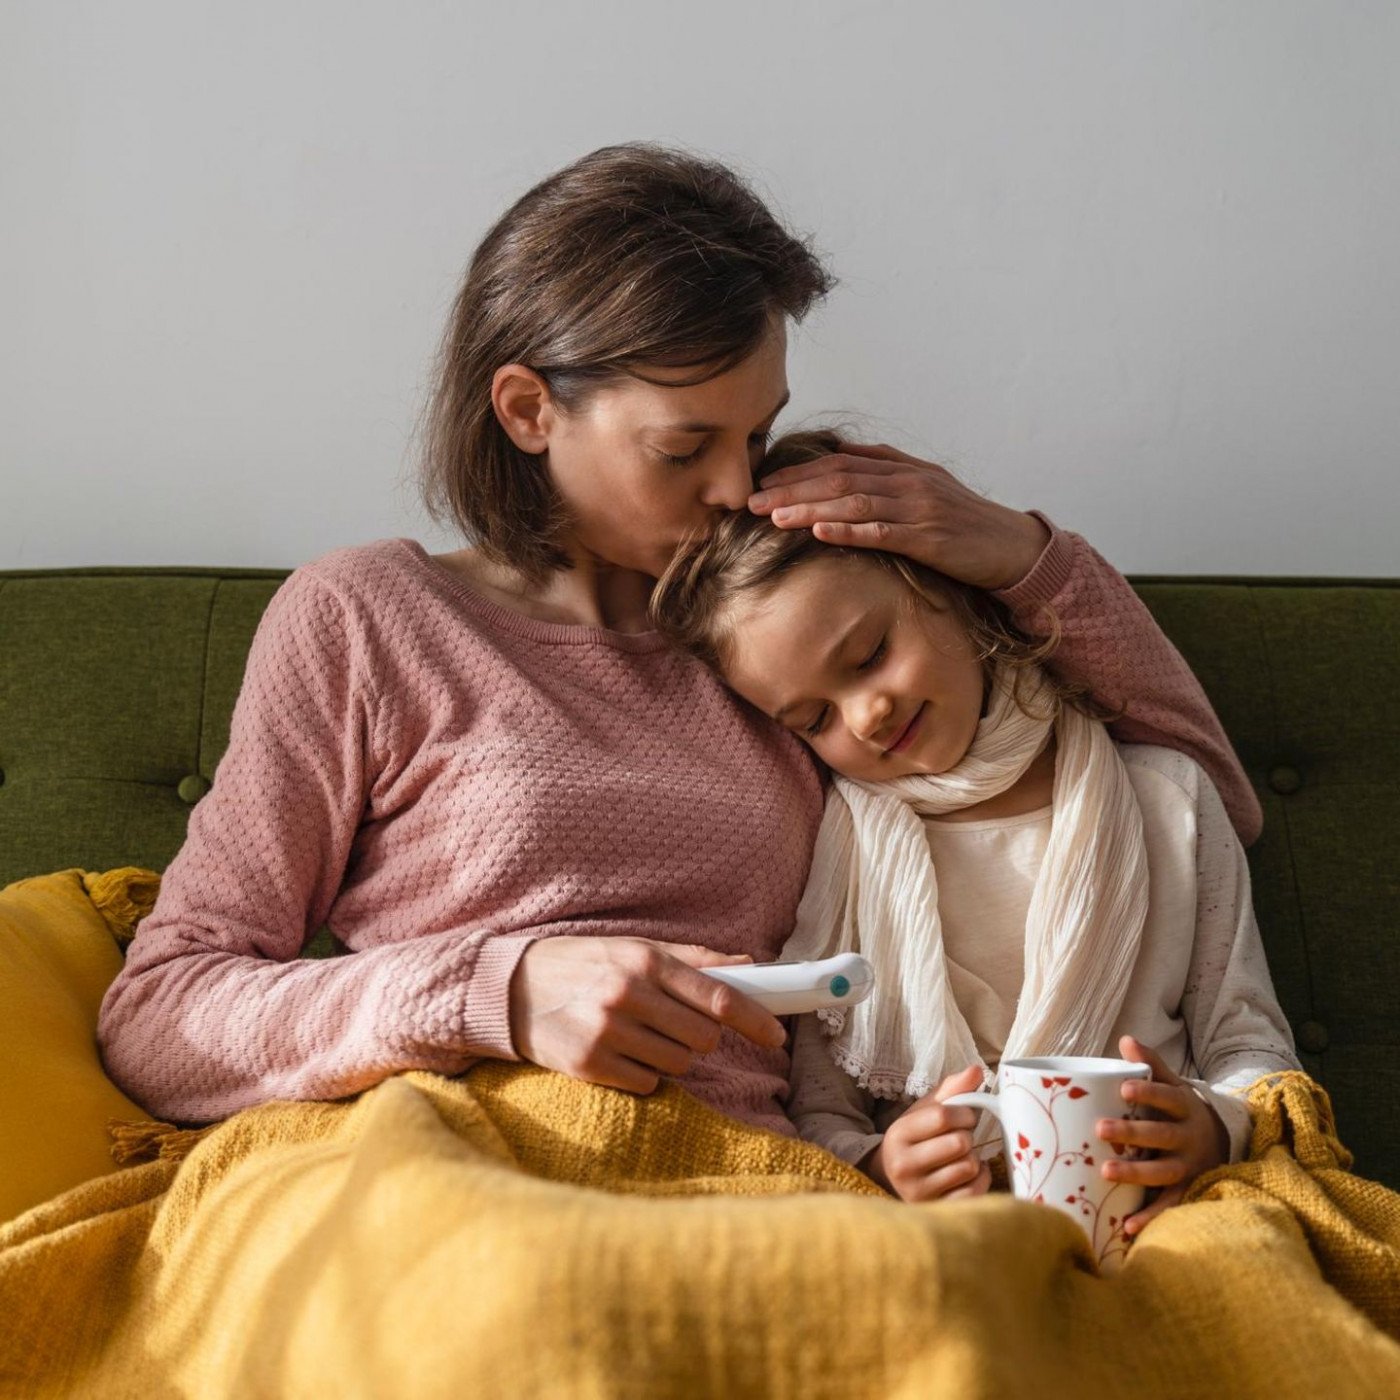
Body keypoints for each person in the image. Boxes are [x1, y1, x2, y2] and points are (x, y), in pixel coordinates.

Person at [97, 144, 1266, 1150]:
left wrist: (1013, 550)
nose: (735, 488)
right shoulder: (366, 617)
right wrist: (497, 987)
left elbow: (1186, 785)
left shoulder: (782, 649)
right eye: (683, 447)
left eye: (755, 432)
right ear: (525, 410)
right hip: (454, 1159)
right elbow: (163, 1013)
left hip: (756, 1182)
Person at [648, 428, 1301, 1232]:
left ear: (947, 589)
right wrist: (885, 1163)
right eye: (815, 718)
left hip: (1154, 1213)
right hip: (954, 1235)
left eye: (870, 654)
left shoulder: (1168, 797)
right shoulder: (837, 844)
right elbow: (821, 1108)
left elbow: (1251, 1044)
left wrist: (1209, 1128)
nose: (867, 713)